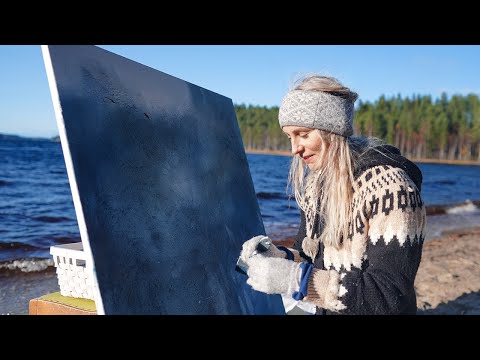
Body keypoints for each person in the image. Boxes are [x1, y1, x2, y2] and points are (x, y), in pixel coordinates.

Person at [239, 75, 426, 315]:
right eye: (290, 137)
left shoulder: (392, 189)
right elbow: (309, 255)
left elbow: (391, 297)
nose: (295, 148)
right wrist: (279, 257)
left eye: (303, 134)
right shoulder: (316, 185)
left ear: (332, 130)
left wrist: (298, 281)